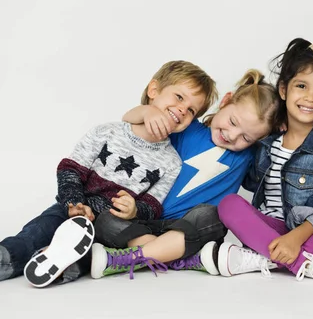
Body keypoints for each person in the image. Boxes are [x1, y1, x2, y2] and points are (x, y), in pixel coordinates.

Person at [0, 60, 216, 287]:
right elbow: (70, 168)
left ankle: (53, 266)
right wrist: (73, 203)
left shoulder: (171, 162)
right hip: (73, 209)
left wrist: (135, 210)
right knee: (39, 229)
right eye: (179, 97)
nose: (183, 109)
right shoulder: (107, 132)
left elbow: (153, 205)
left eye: (192, 110)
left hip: (110, 224)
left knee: (90, 248)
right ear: (154, 90)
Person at [89, 69, 283, 279]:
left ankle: (127, 259)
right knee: (106, 220)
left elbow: (285, 147)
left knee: (212, 214)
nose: (232, 135)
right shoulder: (188, 129)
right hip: (144, 221)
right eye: (233, 122)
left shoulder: (247, 156)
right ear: (226, 101)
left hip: (188, 230)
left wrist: (306, 127)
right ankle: (178, 259)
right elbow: (129, 122)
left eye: (246, 137)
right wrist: (146, 112)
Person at [214, 38, 313, 285]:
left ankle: (262, 260)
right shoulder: (266, 140)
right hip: (267, 230)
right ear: (284, 90)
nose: (310, 98)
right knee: (229, 204)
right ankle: (308, 265)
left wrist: (295, 238)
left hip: (311, 233)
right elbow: (248, 179)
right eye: (301, 86)